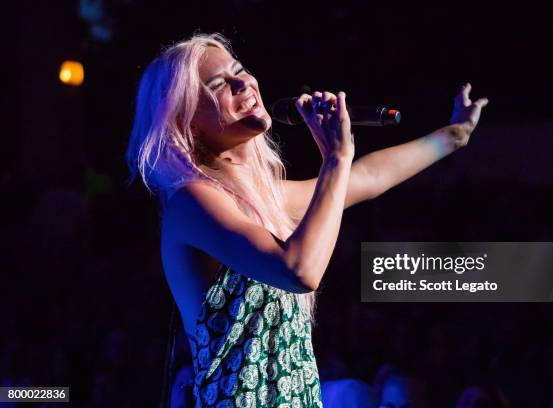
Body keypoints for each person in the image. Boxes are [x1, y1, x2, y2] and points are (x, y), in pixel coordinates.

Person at [125, 33, 488, 407]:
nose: (243, 83)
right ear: (188, 121)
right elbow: (300, 270)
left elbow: (368, 178)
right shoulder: (192, 201)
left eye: (240, 71)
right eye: (219, 84)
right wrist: (335, 159)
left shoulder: (267, 199)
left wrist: (454, 136)